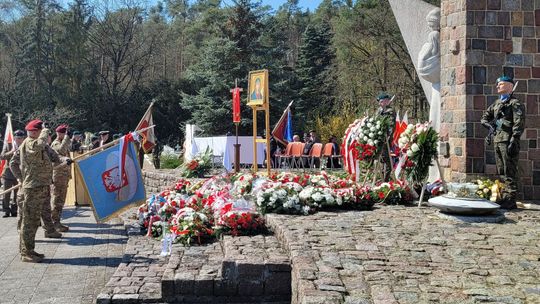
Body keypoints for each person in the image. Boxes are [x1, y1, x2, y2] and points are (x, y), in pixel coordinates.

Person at [15, 119, 71, 262]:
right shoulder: (30, 143)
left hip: (42, 186)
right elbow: (39, 144)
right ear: (35, 132)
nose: (44, 135)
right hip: (32, 187)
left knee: (34, 220)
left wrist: (65, 160)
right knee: (29, 221)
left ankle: (30, 250)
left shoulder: (42, 145)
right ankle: (26, 252)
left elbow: (55, 156)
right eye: (41, 131)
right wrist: (45, 131)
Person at [481, 75, 524, 209]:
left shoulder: (514, 103)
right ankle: (505, 196)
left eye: (501, 84)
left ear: (510, 86)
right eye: (498, 84)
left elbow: (519, 122)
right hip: (498, 140)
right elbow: (484, 118)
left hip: (508, 140)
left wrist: (514, 139)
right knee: (501, 170)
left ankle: (510, 198)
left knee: (509, 170)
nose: (497, 86)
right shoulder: (497, 103)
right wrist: (491, 126)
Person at [50, 124, 72, 232]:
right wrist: (67, 138)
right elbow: (61, 151)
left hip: (63, 176)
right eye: (64, 133)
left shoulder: (63, 141)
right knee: (57, 200)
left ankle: (57, 222)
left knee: (61, 200)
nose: (66, 135)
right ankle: (55, 223)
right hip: (58, 176)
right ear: (59, 133)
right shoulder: (55, 143)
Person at [0, 130, 25, 217]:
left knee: (17, 193)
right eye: (17, 138)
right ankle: (6, 210)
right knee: (6, 193)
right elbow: (2, 156)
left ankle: (14, 210)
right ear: (14, 137)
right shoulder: (9, 145)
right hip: (8, 173)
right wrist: (11, 151)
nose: (19, 140)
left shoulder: (24, 145)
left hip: (19, 173)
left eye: (21, 138)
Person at [376, 93, 397, 182]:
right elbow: (376, 121)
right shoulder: (379, 110)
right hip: (378, 138)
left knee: (386, 159)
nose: (380, 104)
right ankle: (380, 177)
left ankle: (386, 179)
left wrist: (388, 136)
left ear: (386, 101)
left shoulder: (390, 111)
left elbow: (391, 125)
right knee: (380, 159)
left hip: (386, 138)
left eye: (381, 102)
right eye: (379, 102)